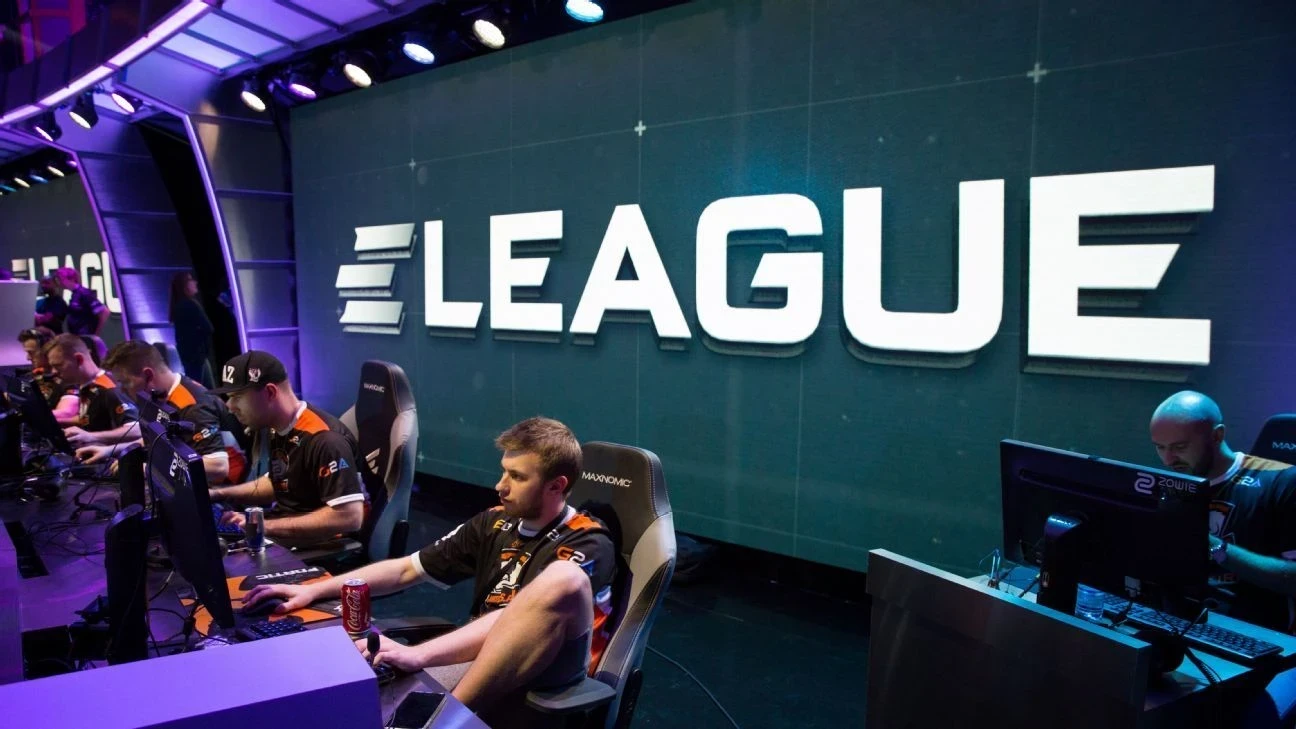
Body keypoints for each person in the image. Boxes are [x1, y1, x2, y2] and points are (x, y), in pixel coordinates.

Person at [240, 417, 616, 726]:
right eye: (503, 472)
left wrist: (418, 655)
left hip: (548, 673)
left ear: (556, 486)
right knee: (355, 691)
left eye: (517, 477)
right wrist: (313, 589)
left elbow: (514, 617)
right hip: (483, 655)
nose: (500, 486)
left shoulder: (588, 541)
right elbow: (407, 570)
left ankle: (447, 720)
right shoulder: (496, 521)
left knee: (563, 579)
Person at [1150, 391, 1296, 727]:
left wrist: (1216, 549)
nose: (1168, 459)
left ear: (1217, 436)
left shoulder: (1281, 482)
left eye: (1179, 447)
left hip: (1260, 638)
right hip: (1188, 625)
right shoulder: (1167, 484)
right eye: (1159, 447)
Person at [206, 351, 364, 545]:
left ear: (270, 393)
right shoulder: (277, 428)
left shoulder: (324, 440)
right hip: (287, 533)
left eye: (237, 396)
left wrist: (264, 525)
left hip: (322, 548)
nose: (229, 406)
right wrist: (221, 493)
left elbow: (350, 517)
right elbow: (279, 483)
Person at [73, 341, 242, 484]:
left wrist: (151, 469)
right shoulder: (161, 396)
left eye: (125, 382)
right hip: (191, 482)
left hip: (224, 489)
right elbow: (157, 439)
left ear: (148, 375)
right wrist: (110, 450)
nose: (122, 391)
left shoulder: (191, 404)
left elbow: (218, 467)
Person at [43, 334, 137, 433]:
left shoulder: (108, 388)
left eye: (58, 365)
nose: (53, 372)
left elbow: (135, 429)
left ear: (79, 359)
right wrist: (53, 422)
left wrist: (91, 437)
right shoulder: (86, 384)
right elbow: (89, 420)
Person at [16, 327, 78, 419]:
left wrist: (22, 414)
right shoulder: (32, 375)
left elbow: (66, 413)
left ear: (47, 351)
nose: (28, 358)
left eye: (31, 353)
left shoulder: (67, 379)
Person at [169, 272, 215, 388]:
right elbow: (208, 328)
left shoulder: (178, 306)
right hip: (197, 356)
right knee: (202, 390)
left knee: (203, 389)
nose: (195, 282)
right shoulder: (190, 304)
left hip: (190, 356)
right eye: (190, 280)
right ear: (184, 285)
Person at [55, 267, 109, 336]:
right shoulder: (75, 294)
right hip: (77, 336)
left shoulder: (84, 293)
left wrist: (96, 334)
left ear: (71, 279)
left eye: (61, 279)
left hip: (85, 336)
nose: (59, 282)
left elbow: (104, 312)